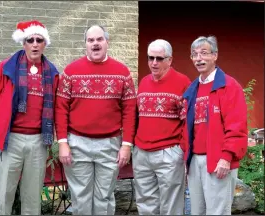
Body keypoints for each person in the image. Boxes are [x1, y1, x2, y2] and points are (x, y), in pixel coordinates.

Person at [55, 25, 137, 215]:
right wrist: (62, 143)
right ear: (85, 44)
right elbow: (60, 109)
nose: (95, 44)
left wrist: (126, 145)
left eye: (99, 39)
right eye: (90, 40)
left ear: (107, 42)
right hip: (77, 143)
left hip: (110, 144)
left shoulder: (122, 73)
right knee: (80, 196)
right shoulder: (71, 72)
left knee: (105, 196)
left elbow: (129, 111)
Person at [0, 20, 59, 215]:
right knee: (4, 195)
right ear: (23, 43)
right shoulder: (6, 68)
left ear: (44, 43)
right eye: (30, 39)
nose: (34, 44)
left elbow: (57, 107)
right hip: (10, 140)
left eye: (39, 40)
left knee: (33, 198)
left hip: (39, 141)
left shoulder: (53, 73)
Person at [183, 35, 248, 215]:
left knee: (217, 212)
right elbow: (187, 129)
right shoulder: (192, 89)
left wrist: (226, 157)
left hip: (219, 161)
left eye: (204, 53)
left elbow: (237, 125)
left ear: (215, 55)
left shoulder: (229, 86)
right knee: (197, 212)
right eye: (194, 54)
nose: (199, 58)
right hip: (195, 161)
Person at [133, 39, 191, 215]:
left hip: (169, 152)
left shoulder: (182, 83)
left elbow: (187, 122)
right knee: (145, 203)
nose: (154, 63)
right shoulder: (143, 82)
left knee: (171, 206)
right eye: (150, 58)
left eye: (159, 58)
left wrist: (182, 150)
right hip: (142, 152)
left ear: (170, 60)